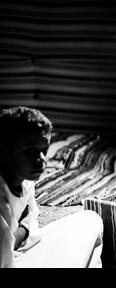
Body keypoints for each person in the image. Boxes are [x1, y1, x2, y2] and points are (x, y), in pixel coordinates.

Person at [0, 106, 103, 268]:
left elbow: (31, 215)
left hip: (15, 251)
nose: (41, 159)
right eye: (31, 151)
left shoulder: (24, 180)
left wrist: (18, 235)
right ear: (3, 153)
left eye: (44, 150)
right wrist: (14, 238)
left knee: (91, 219)